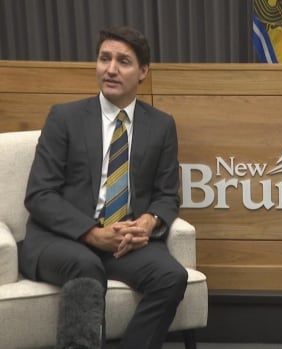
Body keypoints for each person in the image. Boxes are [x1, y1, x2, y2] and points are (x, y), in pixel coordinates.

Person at [18, 26, 187, 349]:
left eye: (123, 61)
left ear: (143, 72)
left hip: (123, 243)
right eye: (104, 58)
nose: (110, 69)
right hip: (60, 240)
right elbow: (39, 195)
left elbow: (167, 195)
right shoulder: (65, 118)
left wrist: (149, 222)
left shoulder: (161, 125)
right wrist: (93, 233)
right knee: (86, 265)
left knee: (171, 276)